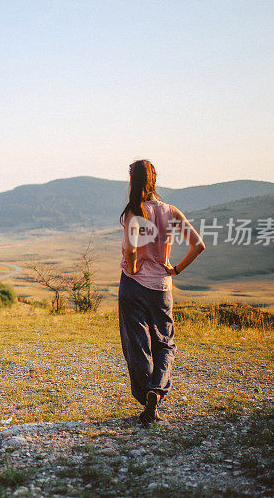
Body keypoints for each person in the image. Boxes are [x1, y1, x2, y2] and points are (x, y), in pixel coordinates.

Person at [118, 159, 205, 425]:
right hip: (162, 287)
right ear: (154, 180)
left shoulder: (135, 212)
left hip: (133, 286)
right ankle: (157, 391)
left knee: (137, 343)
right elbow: (198, 244)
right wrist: (175, 269)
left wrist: (133, 267)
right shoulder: (171, 211)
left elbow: (132, 251)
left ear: (133, 181)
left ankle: (146, 396)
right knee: (164, 343)